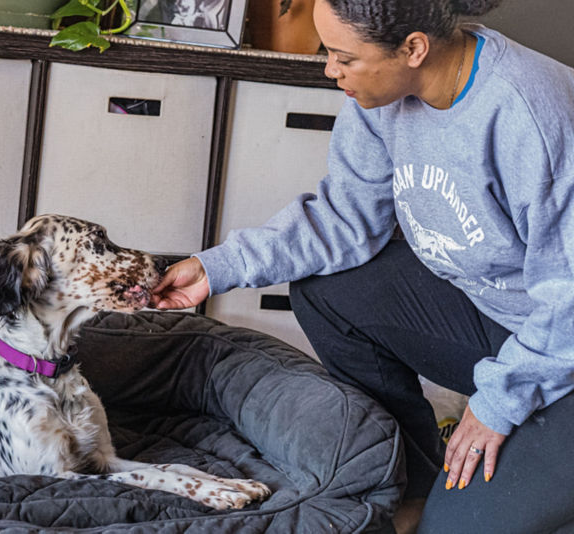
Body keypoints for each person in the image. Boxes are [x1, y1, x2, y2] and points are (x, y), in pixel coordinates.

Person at [151, 0, 574, 532]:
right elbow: (343, 220)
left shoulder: (534, 114)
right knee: (329, 287)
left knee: (455, 528)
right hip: (511, 324)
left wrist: (496, 404)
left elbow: (570, 297)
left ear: (413, 48)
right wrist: (215, 268)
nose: (329, 69)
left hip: (564, 341)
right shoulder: (384, 98)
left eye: (342, 56)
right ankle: (413, 480)